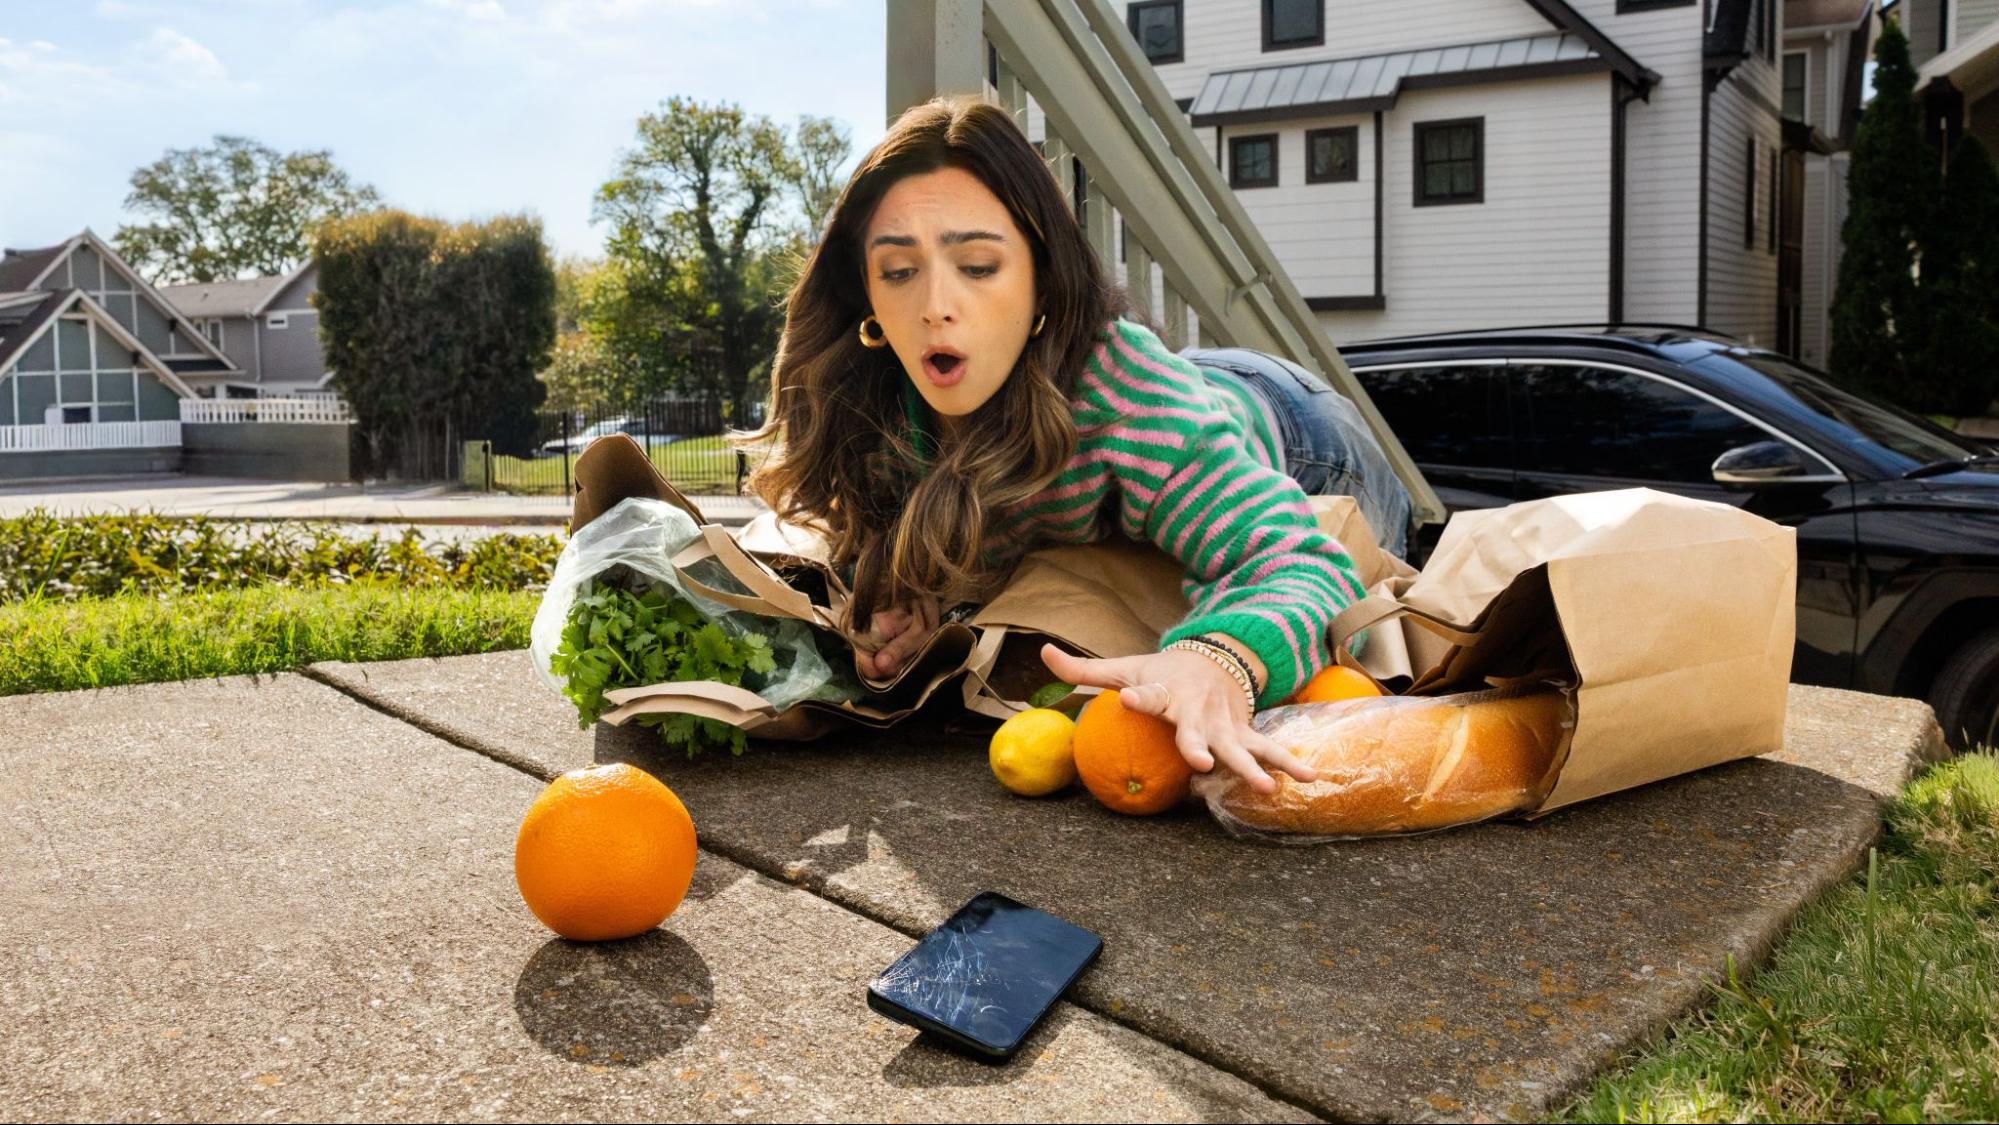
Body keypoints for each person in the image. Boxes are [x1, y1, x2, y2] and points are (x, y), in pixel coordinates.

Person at [735, 95, 1411, 794]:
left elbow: (1304, 563)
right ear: (867, 297)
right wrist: (923, 593)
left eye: (978, 265)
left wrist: (1220, 656)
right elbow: (913, 529)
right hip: (1183, 391)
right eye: (899, 272)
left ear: (1041, 279)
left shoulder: (1127, 402)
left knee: (1374, 655)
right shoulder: (868, 400)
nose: (935, 305)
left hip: (1305, 436)